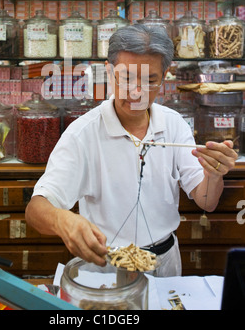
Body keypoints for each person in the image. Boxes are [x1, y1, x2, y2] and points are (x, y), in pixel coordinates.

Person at [25, 24, 238, 276]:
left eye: (150, 81)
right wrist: (62, 220)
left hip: (164, 262)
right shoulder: (83, 133)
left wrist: (214, 174)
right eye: (126, 78)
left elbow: (207, 201)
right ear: (109, 71)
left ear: (165, 76)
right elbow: (35, 210)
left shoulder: (174, 124)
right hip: (106, 266)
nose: (137, 93)